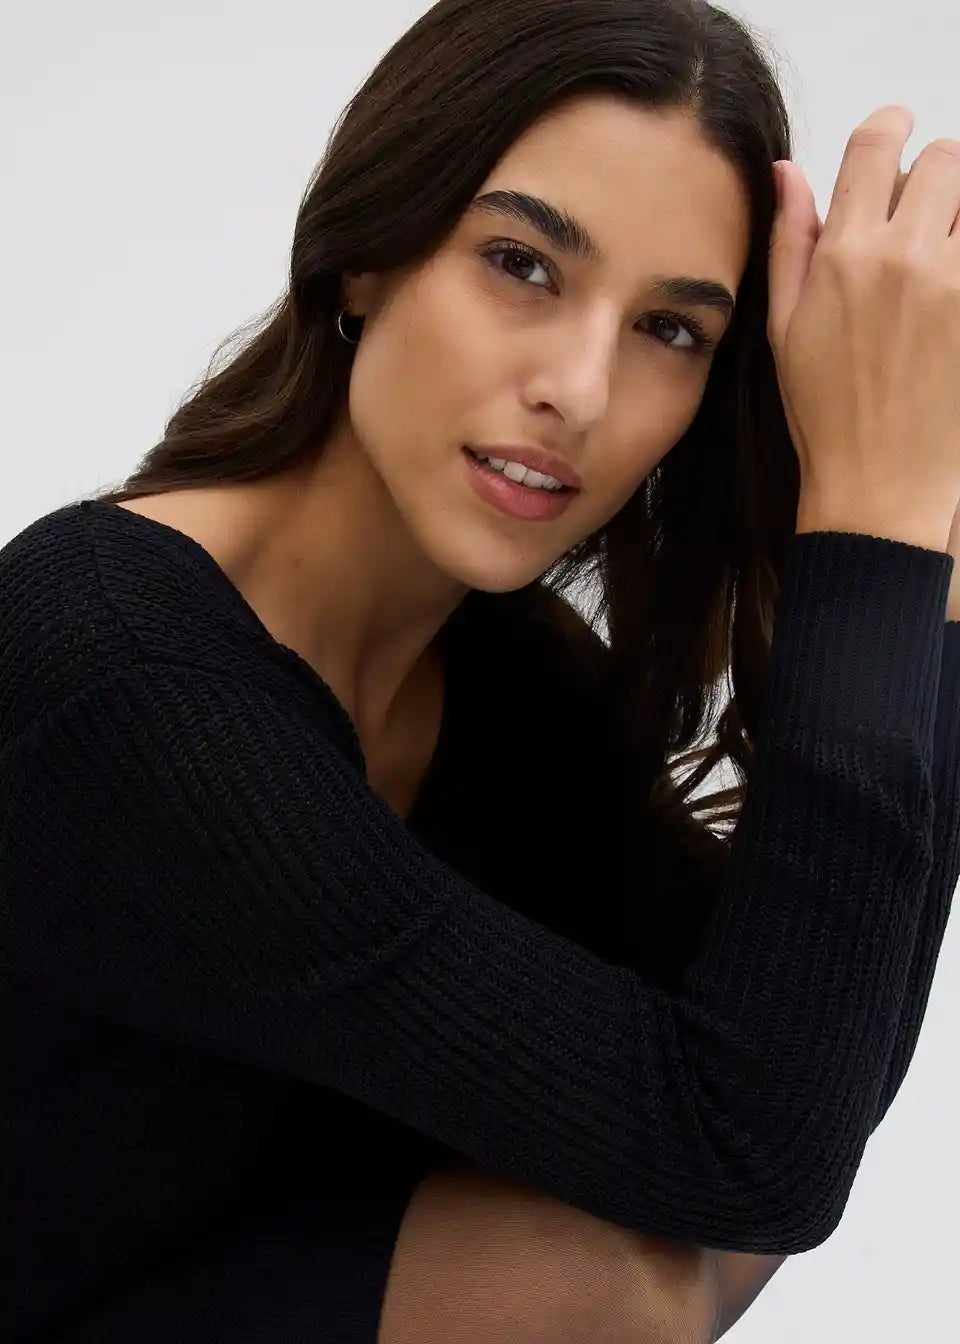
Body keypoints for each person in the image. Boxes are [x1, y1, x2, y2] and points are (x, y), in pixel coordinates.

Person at [4, 0, 960, 1338]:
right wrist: (872, 525)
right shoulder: (120, 684)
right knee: (592, 1278)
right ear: (364, 257)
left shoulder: (496, 681)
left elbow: (799, 1078)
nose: (581, 387)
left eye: (672, 330)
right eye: (522, 263)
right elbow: (748, 1152)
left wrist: (931, 560)